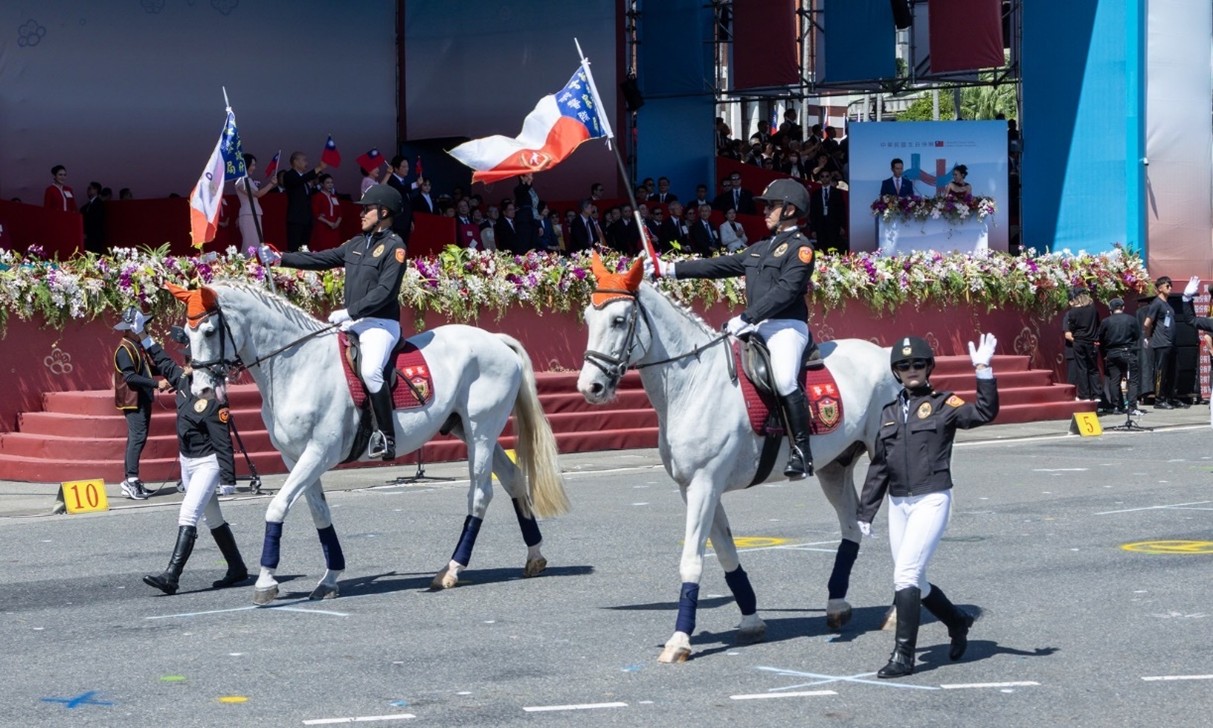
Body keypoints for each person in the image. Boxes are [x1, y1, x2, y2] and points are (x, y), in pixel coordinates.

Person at [644, 179, 817, 479]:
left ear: (790, 209)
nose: (765, 211)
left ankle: (802, 451)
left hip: (786, 326)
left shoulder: (801, 250)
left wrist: (748, 317)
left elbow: (786, 292)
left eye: (772, 206)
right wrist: (669, 270)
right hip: (757, 325)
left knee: (786, 379)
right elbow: (719, 265)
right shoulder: (761, 247)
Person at [858, 333, 1000, 678]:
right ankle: (957, 620)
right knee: (916, 581)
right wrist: (865, 510)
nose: (911, 370)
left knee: (904, 575)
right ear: (896, 371)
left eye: (917, 364)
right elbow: (880, 464)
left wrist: (982, 370)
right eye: (904, 365)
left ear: (928, 367)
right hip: (899, 503)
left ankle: (903, 656)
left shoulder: (943, 404)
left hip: (932, 498)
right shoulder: (889, 412)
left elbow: (983, 412)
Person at [260, 184, 407, 460]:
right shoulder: (355, 244)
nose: (362, 213)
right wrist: (281, 258)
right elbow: (320, 259)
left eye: (367, 209)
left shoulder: (395, 247)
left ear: (383, 211)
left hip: (380, 324)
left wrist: (351, 312)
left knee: (373, 370)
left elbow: (385, 292)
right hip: (354, 322)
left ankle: (387, 437)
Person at [139, 318, 250, 594]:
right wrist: (143, 334)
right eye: (187, 360)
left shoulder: (213, 397)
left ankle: (171, 576)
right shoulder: (182, 382)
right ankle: (237, 568)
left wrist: (228, 479)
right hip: (188, 461)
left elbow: (222, 441)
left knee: (188, 513)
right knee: (212, 518)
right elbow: (161, 360)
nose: (186, 365)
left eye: (189, 361)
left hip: (208, 463)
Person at [113, 308, 164, 500]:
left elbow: (144, 369)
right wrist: (156, 383)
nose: (146, 329)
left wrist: (167, 370)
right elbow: (131, 377)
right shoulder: (125, 349)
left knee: (137, 438)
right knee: (137, 438)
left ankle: (132, 479)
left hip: (140, 399)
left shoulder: (134, 346)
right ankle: (131, 480)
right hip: (133, 401)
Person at [1097, 297, 1144, 415]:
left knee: (1114, 380)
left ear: (1110, 310)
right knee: (1132, 380)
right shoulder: (1131, 320)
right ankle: (1132, 406)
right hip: (1128, 351)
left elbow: (1100, 338)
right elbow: (1137, 335)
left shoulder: (1106, 321)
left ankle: (1116, 406)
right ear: (1123, 307)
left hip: (1112, 352)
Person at [1064, 287, 1105, 408]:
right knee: (1093, 368)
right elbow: (1098, 324)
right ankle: (1097, 394)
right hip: (1091, 342)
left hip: (1079, 341)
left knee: (1082, 368)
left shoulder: (1072, 313)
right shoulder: (1093, 310)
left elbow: (1071, 328)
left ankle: (1084, 395)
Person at [1142, 276, 1180, 409]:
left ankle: (1170, 397)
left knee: (1172, 372)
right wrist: (1147, 338)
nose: (1170, 287)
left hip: (1171, 343)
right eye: (1167, 286)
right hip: (1161, 343)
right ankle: (1159, 400)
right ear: (1160, 288)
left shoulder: (1167, 304)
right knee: (1160, 372)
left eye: (1171, 285)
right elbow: (1147, 323)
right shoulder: (1156, 303)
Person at [284, 152, 325, 252]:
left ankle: (302, 266)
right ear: (295, 162)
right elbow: (298, 181)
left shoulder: (304, 180)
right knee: (294, 246)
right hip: (296, 218)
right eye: (304, 160)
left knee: (304, 247)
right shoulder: (289, 175)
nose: (306, 162)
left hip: (306, 219)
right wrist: (318, 168)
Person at [235, 154, 275, 250]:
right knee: (250, 242)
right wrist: (271, 184)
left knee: (256, 241)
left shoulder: (249, 180)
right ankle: (247, 263)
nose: (254, 167)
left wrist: (272, 184)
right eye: (252, 165)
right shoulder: (240, 180)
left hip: (255, 212)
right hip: (248, 213)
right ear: (245, 165)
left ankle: (254, 263)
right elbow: (257, 194)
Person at [310, 174, 343, 250]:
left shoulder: (334, 197)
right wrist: (328, 223)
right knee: (322, 247)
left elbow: (340, 213)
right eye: (327, 183)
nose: (330, 185)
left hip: (334, 228)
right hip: (323, 227)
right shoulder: (318, 196)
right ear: (322, 184)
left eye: (331, 182)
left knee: (334, 248)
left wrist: (337, 223)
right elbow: (316, 213)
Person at [513, 173, 540, 252]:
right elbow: (522, 191)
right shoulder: (518, 189)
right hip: (523, 220)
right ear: (522, 177)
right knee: (524, 243)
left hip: (531, 218)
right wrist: (528, 184)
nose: (531, 178)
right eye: (528, 176)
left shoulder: (530, 191)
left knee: (533, 243)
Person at [80, 181, 106, 254]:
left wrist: (87, 233)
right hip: (89, 237)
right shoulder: (86, 206)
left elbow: (96, 221)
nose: (88, 190)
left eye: (90, 188)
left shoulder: (99, 204)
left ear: (96, 190)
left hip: (95, 237)